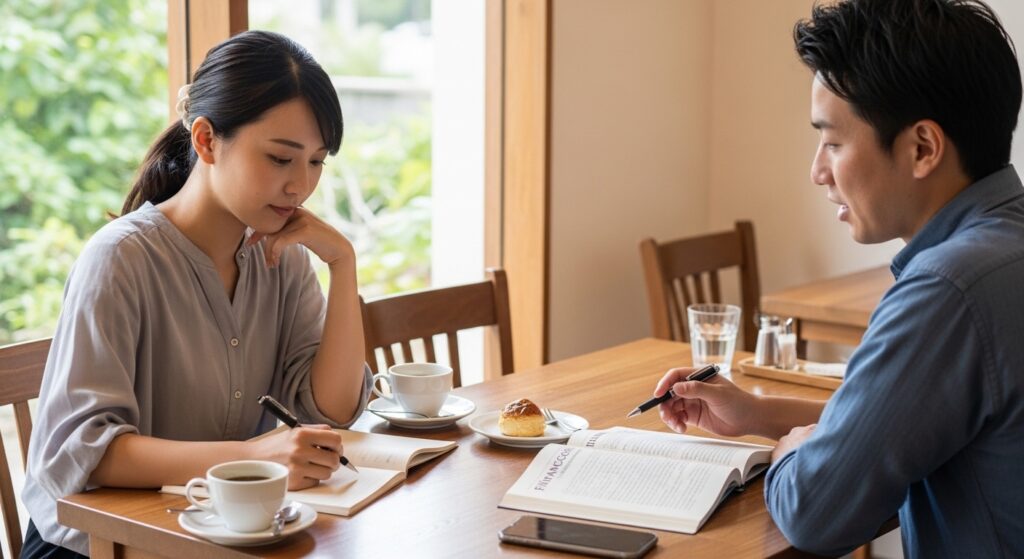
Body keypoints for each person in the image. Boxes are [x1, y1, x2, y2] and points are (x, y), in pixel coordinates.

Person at [654, 1, 1024, 557]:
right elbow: (899, 422)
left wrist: (789, 455)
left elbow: (815, 512)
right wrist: (762, 413)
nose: (817, 171)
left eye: (833, 142)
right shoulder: (1003, 249)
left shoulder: (948, 289)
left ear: (922, 147)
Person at [21, 30, 372, 558]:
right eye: (281, 159)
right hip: (101, 545)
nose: (301, 185)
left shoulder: (285, 258)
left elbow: (332, 408)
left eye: (317, 162)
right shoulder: (121, 259)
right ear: (206, 140)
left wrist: (343, 265)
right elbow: (88, 453)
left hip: (213, 537)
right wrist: (254, 456)